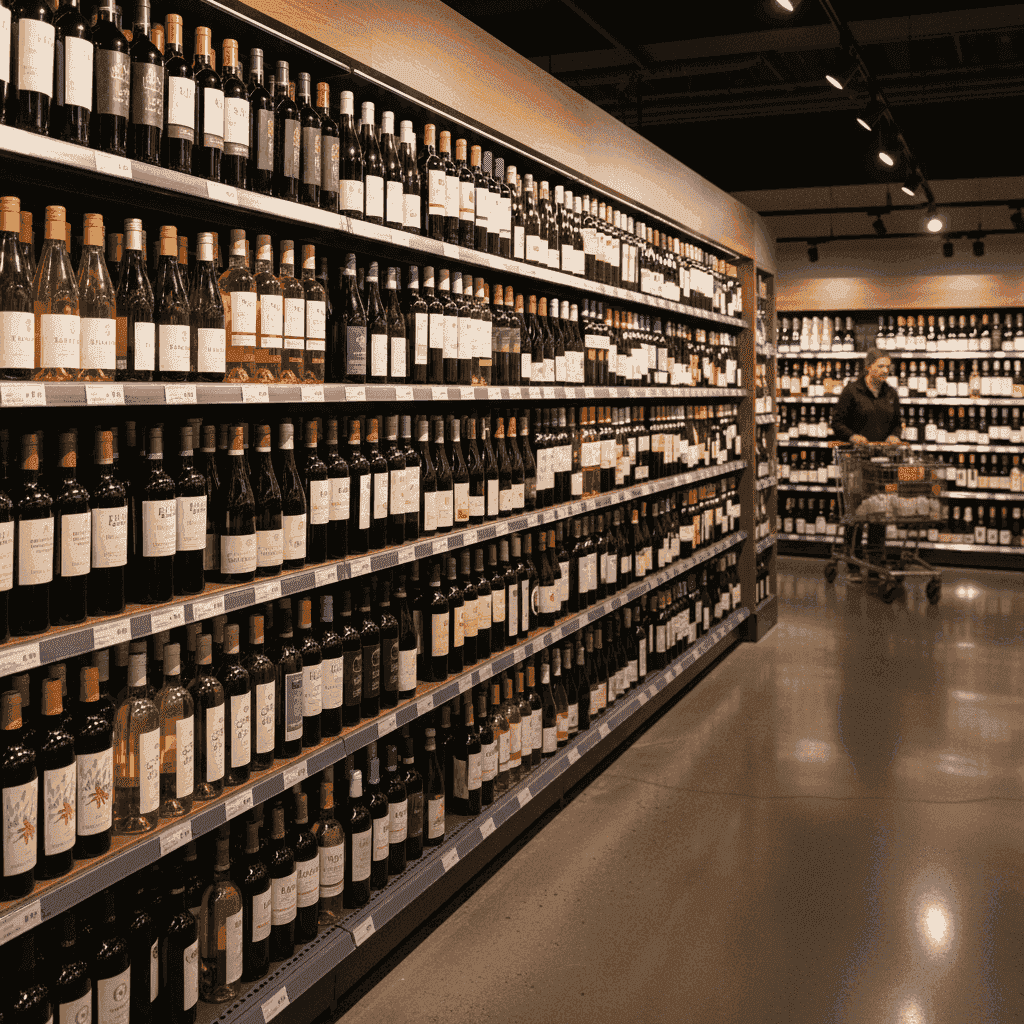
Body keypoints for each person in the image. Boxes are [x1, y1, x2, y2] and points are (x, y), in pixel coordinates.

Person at [830, 347, 904, 581]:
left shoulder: (890, 393)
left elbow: (897, 423)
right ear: (868, 367)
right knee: (857, 512)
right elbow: (837, 423)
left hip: (882, 462)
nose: (885, 370)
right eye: (881, 366)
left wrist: (894, 436)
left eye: (888, 366)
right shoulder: (852, 391)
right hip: (856, 460)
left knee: (878, 513)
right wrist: (853, 437)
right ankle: (853, 562)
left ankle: (875, 562)